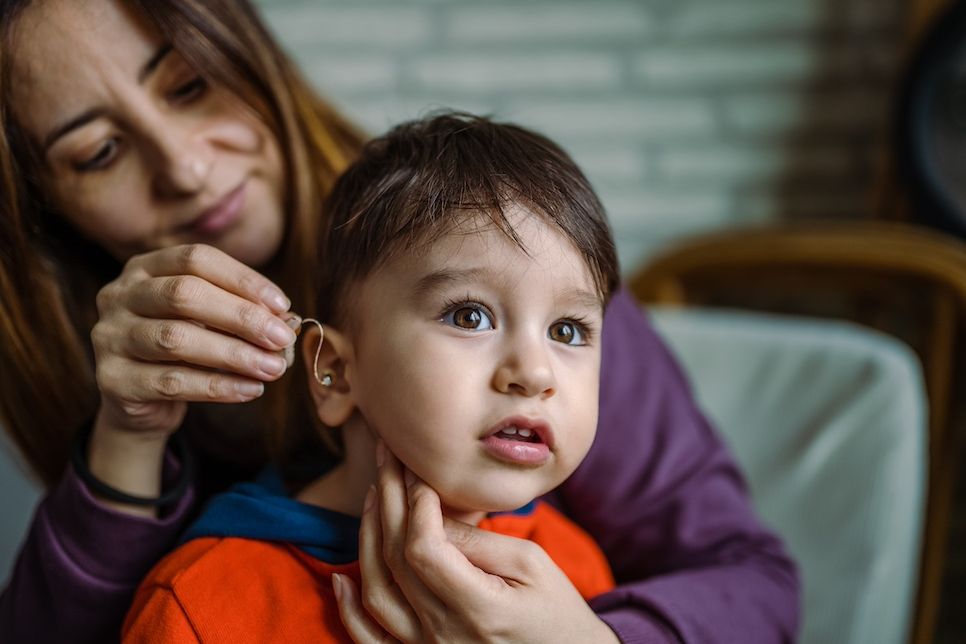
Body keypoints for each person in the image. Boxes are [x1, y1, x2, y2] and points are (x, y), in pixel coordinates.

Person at [0, 1, 799, 642]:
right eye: (99, 152)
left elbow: (750, 580)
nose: (186, 167)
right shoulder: (205, 596)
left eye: (189, 84)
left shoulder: (525, 248)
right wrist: (126, 439)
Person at [122, 111, 622, 643]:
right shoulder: (198, 606)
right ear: (335, 372)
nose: (535, 373)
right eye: (469, 316)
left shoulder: (566, 575)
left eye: (567, 330)